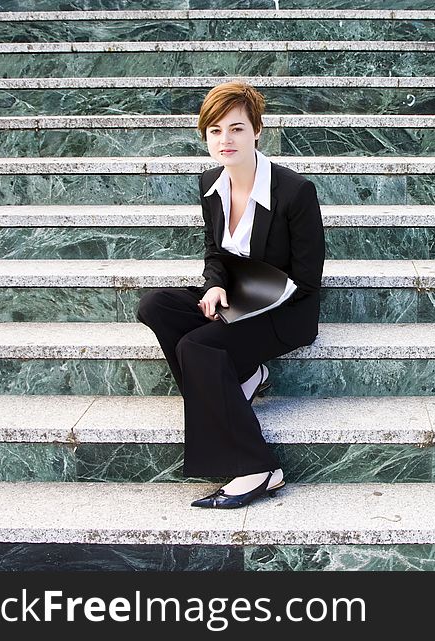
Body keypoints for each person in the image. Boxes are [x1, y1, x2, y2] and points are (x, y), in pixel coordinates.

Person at [136, 80, 325, 509]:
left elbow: (309, 280)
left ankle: (259, 468)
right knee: (155, 306)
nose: (226, 140)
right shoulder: (211, 183)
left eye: (237, 129)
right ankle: (244, 378)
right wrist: (214, 285)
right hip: (234, 298)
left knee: (197, 346)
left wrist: (246, 311)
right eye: (216, 131)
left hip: (282, 311)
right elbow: (215, 251)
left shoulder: (295, 192)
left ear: (257, 131)